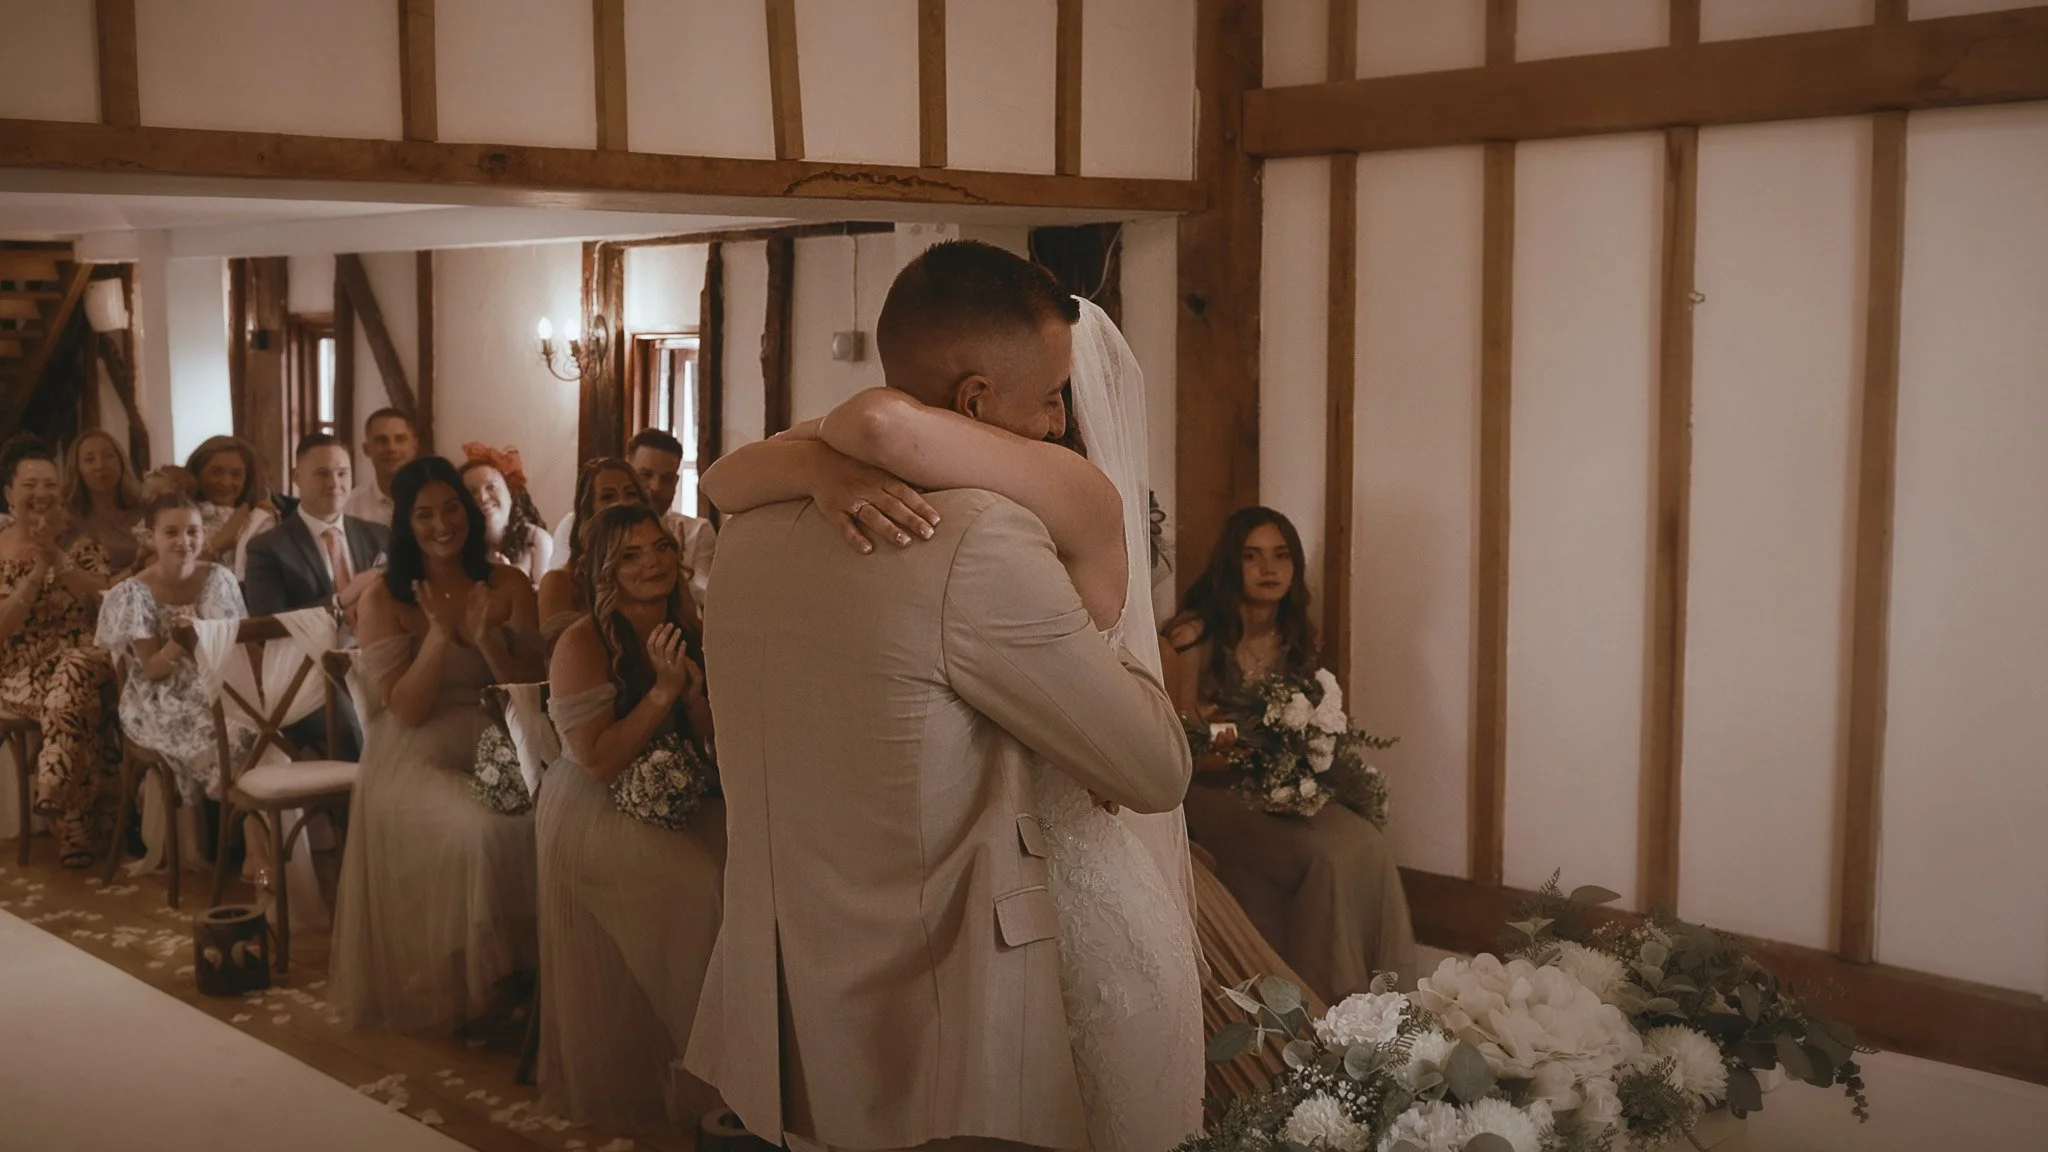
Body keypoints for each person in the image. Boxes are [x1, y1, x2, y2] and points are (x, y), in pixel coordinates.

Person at [687, 240, 1196, 1152]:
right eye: (1050, 398)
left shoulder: (754, 519)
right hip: (937, 1027)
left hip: (783, 1006)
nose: (1057, 422)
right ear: (974, 400)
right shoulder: (984, 540)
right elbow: (1154, 769)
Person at [1163, 507, 1418, 999]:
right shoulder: (1190, 637)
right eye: (1252, 556)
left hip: (1271, 786)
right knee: (1323, 856)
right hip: (1207, 790)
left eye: (1281, 556)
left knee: (1366, 843)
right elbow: (1178, 744)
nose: (1268, 568)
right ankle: (1324, 1004)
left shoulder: (1297, 638)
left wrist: (1301, 753)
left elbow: (1310, 721)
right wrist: (1247, 743)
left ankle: (1387, 1004)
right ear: (1230, 565)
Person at [328, 456, 545, 1034]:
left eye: (452, 508)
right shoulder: (384, 599)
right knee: (477, 832)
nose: (442, 523)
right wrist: (440, 640)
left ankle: (528, 975)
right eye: (424, 514)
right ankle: (474, 987)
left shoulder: (508, 582)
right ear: (405, 523)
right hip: (413, 754)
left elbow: (533, 682)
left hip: (499, 741)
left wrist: (486, 643)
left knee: (539, 825)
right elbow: (407, 709)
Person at [538, 504, 725, 1127]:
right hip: (592, 812)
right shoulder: (581, 641)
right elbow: (595, 761)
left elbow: (708, 746)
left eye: (661, 548)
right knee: (698, 890)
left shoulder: (691, 625)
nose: (652, 564)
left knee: (753, 873)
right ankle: (705, 1076)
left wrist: (695, 703)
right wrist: (662, 692)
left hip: (677, 794)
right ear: (604, 571)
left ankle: (744, 1056)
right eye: (631, 555)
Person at [0, 439, 118, 868]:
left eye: (50, 483)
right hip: (19, 670)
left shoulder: (83, 543)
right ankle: (74, 824)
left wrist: (56, 557)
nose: (42, 492)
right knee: (69, 696)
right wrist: (34, 576)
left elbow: (101, 604)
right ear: (10, 492)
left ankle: (55, 785)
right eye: (30, 483)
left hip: (86, 655)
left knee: (74, 666)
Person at [243, 433, 390, 758]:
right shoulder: (267, 547)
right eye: (321, 473)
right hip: (307, 674)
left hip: (378, 660)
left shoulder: (378, 535)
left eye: (342, 473)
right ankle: (360, 807)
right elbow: (266, 627)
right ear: (297, 477)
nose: (334, 483)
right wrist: (338, 603)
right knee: (355, 724)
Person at [96, 493, 246, 809]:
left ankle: (245, 835)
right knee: (213, 731)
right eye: (171, 532)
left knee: (255, 725)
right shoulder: (133, 593)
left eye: (193, 531)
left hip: (218, 680)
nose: (184, 541)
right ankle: (238, 832)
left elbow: (237, 647)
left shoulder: (219, 579)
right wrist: (180, 640)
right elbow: (151, 668)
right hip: (160, 694)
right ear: (151, 538)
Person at [547, 430, 717, 615]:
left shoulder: (698, 530)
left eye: (666, 478)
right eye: (645, 475)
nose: (655, 487)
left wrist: (676, 571)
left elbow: (709, 597)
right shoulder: (574, 526)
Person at [536, 459, 647, 653]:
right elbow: (560, 657)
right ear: (588, 513)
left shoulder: (657, 569)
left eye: (631, 494)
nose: (623, 504)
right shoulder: (559, 582)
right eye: (608, 497)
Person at [184, 436, 277, 581]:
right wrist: (218, 544)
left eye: (236, 474)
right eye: (216, 472)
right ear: (197, 474)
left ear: (247, 479)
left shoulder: (259, 520)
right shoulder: (176, 515)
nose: (226, 482)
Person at [459, 445, 553, 585]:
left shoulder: (537, 539)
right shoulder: (458, 544)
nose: (483, 498)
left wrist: (511, 578)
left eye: (490, 487)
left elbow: (546, 602)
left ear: (510, 492)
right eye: (471, 492)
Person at [63, 430, 147, 576]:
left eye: (108, 456)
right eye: (89, 459)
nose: (100, 465)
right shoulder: (68, 520)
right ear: (77, 469)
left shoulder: (145, 511)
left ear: (121, 461)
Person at [344, 408, 420, 528]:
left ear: (415, 446)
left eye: (400, 439)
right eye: (382, 441)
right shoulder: (349, 508)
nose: (392, 448)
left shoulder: (436, 501)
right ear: (366, 449)